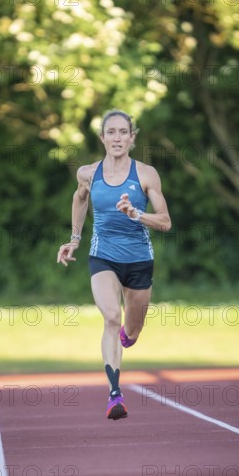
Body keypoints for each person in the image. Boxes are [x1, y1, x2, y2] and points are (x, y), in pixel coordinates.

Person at [57, 110, 171, 420]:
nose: (117, 137)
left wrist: (136, 214)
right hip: (102, 256)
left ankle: (126, 337)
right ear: (103, 138)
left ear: (132, 138)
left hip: (139, 261)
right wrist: (75, 238)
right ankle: (114, 394)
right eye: (112, 132)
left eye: (124, 132)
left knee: (131, 331)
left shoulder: (146, 174)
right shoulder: (88, 173)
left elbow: (165, 221)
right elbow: (79, 198)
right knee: (110, 316)